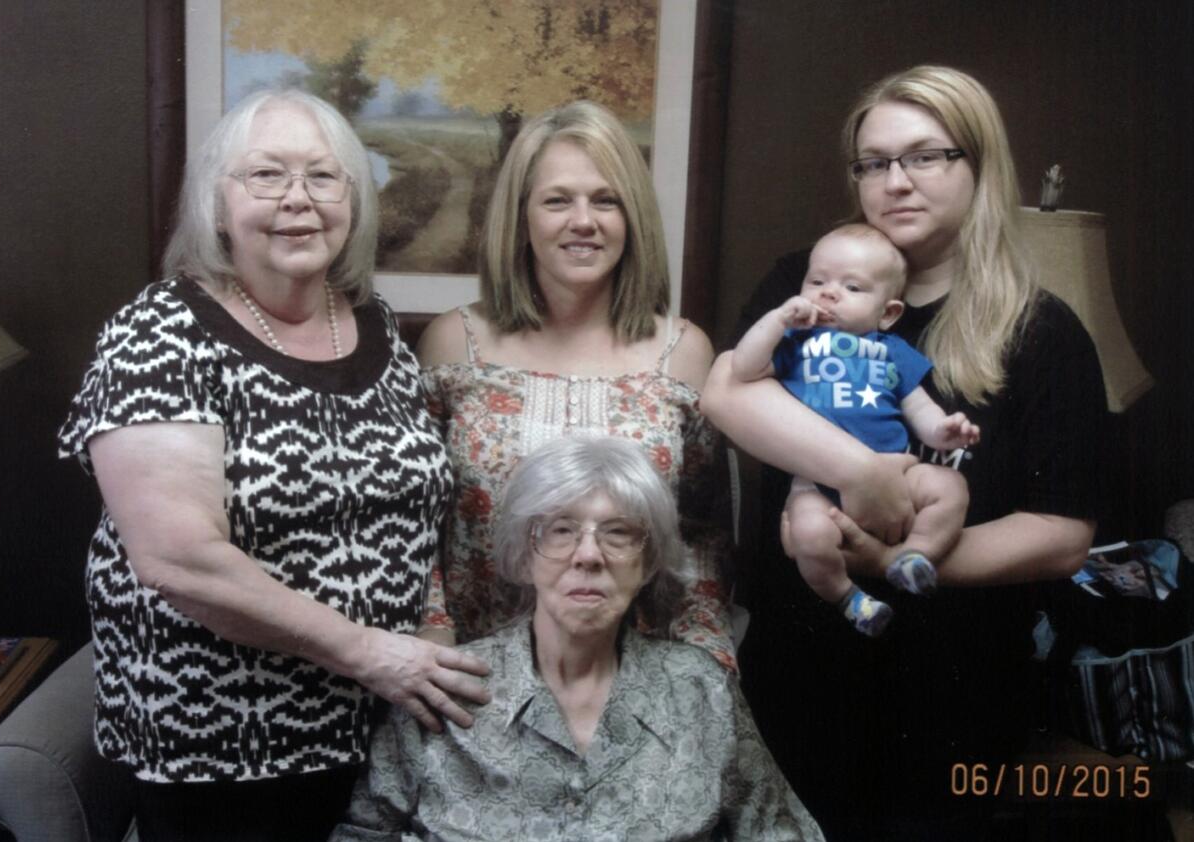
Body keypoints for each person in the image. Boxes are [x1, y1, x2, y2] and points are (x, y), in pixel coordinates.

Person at [56, 89, 490, 841]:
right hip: (224, 747)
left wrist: (423, 644)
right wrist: (372, 655)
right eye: (266, 176)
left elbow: (410, 509)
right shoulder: (159, 333)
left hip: (381, 729)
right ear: (217, 207)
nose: (299, 200)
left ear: (353, 202)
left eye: (323, 178)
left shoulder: (371, 322)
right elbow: (179, 561)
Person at [701, 66, 1106, 839]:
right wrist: (863, 475)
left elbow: (1062, 534)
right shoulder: (810, 281)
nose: (897, 181)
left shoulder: (1042, 331)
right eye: (875, 162)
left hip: (956, 689)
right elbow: (728, 394)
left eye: (926, 156)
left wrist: (889, 561)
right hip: (801, 669)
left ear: (978, 164)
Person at [331, 436, 824, 841]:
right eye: (560, 531)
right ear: (524, 557)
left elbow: (779, 832)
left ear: (648, 562)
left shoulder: (700, 688)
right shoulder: (445, 686)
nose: (588, 555)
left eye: (618, 533)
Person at [416, 100, 736, 671]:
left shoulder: (682, 353)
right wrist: (433, 639)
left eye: (606, 200)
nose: (583, 221)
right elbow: (418, 522)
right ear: (521, 217)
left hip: (639, 684)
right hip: (472, 678)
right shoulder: (452, 345)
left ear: (631, 216)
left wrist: (706, 664)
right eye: (558, 199)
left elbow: (701, 534)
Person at [731, 223, 979, 637]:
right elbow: (742, 367)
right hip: (816, 483)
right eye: (817, 281)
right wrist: (778, 321)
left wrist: (944, 431)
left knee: (951, 487)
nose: (829, 292)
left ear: (888, 313)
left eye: (853, 287)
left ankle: (914, 556)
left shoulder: (893, 352)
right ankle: (850, 599)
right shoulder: (796, 345)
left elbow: (919, 409)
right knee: (807, 534)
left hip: (897, 473)